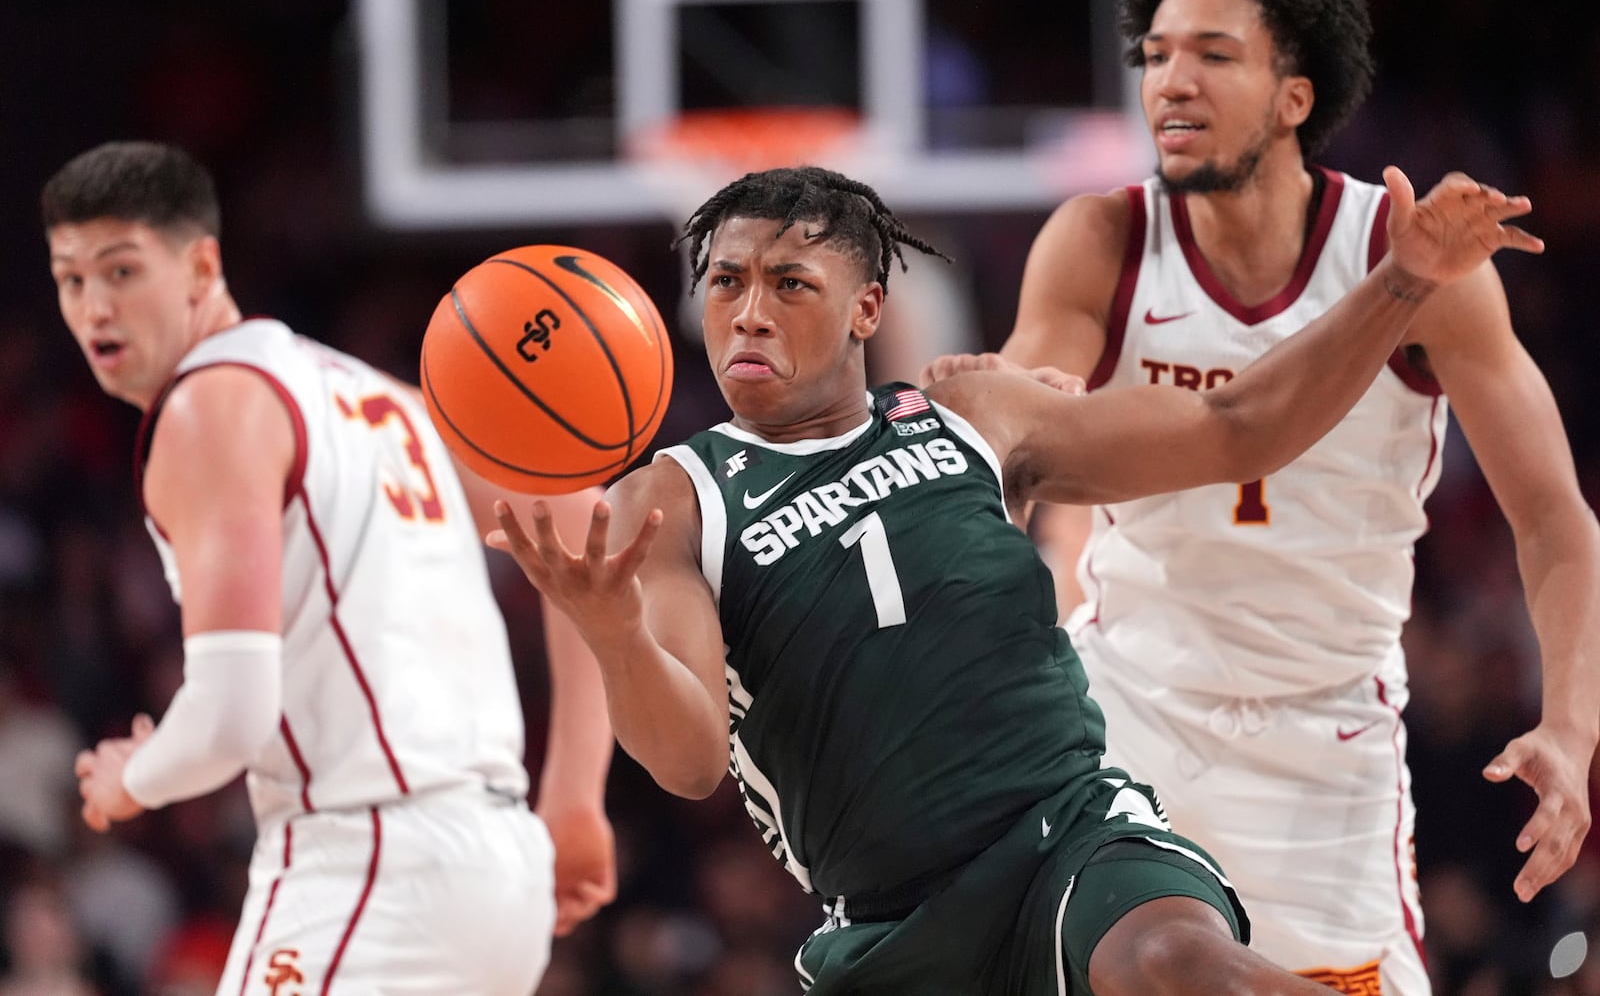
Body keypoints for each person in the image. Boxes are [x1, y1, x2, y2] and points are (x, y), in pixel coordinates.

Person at [489, 163, 1539, 994]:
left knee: (1187, 968)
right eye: (725, 282)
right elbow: (684, 759)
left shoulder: (976, 417)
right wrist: (613, 629)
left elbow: (1239, 424)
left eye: (787, 283)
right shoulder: (675, 494)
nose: (747, 312)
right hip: (890, 922)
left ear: (865, 309)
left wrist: (1400, 280)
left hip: (1073, 834)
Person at [924, 0, 1600, 990]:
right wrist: (992, 412)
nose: (1169, 81)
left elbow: (1556, 516)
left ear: (1293, 95)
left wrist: (1570, 726)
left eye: (1211, 54)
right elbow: (1026, 442)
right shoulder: (1099, 240)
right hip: (1126, 710)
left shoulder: (1411, 249)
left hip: (1323, 736)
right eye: (1153, 55)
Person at [46, 140, 617, 995]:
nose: (95, 307)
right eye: (70, 279)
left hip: (371, 860)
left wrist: (135, 775)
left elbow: (232, 714)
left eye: (122, 271)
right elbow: (582, 518)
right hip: (497, 871)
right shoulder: (378, 395)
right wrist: (575, 791)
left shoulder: (209, 404)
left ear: (202, 264)